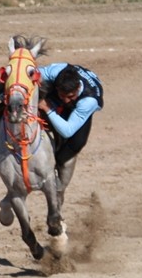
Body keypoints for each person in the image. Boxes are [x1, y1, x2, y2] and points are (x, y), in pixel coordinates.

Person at [36, 61, 103, 194]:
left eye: (70, 96)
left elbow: (67, 130)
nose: (66, 100)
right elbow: (31, 75)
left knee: (76, 143)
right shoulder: (56, 71)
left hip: (79, 108)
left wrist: (48, 109)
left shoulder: (88, 101)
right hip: (57, 93)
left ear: (78, 88)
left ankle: (59, 185)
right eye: (62, 95)